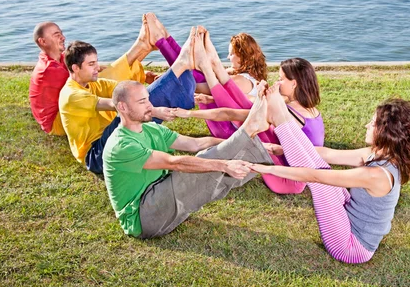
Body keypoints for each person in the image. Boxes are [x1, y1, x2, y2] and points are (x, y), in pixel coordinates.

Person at [102, 31, 275, 238]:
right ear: (122, 107)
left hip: (163, 202)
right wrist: (223, 163)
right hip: (144, 217)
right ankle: (250, 132)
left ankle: (257, 149)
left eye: (148, 99)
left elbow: (196, 144)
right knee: (199, 167)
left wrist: (237, 145)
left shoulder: (150, 129)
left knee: (214, 167)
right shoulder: (120, 145)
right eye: (142, 102)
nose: (150, 106)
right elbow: (174, 163)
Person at [249, 85, 410, 264]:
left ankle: (279, 118)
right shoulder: (382, 155)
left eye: (372, 124)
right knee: (321, 168)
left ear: (386, 132)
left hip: (350, 248)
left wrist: (265, 168)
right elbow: (327, 154)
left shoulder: (376, 175)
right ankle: (281, 116)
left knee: (321, 180)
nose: (366, 125)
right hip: (347, 222)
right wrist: (281, 148)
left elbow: (315, 177)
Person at [176, 35, 323, 194]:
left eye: (281, 79)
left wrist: (189, 114)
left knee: (250, 118)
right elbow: (247, 100)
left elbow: (231, 113)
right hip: (293, 168)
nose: (278, 82)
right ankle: (212, 65)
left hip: (287, 179)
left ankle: (211, 66)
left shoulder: (291, 112)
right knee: (251, 111)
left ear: (294, 83)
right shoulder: (308, 110)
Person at [58, 26, 197, 175]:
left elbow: (126, 89)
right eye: (91, 64)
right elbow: (116, 105)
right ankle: (181, 64)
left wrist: (154, 85)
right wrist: (156, 110)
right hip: (96, 156)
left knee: (137, 97)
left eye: (96, 62)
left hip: (110, 139)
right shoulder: (71, 95)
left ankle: (181, 71)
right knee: (131, 105)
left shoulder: (93, 84)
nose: (97, 68)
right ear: (75, 68)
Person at [29, 18, 157, 136]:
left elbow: (99, 69)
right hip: (57, 122)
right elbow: (94, 78)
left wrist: (143, 75)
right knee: (104, 81)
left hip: (72, 108)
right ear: (43, 41)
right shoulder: (48, 70)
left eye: (61, 33)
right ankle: (141, 46)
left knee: (105, 79)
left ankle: (143, 47)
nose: (63, 37)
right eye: (57, 35)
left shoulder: (61, 58)